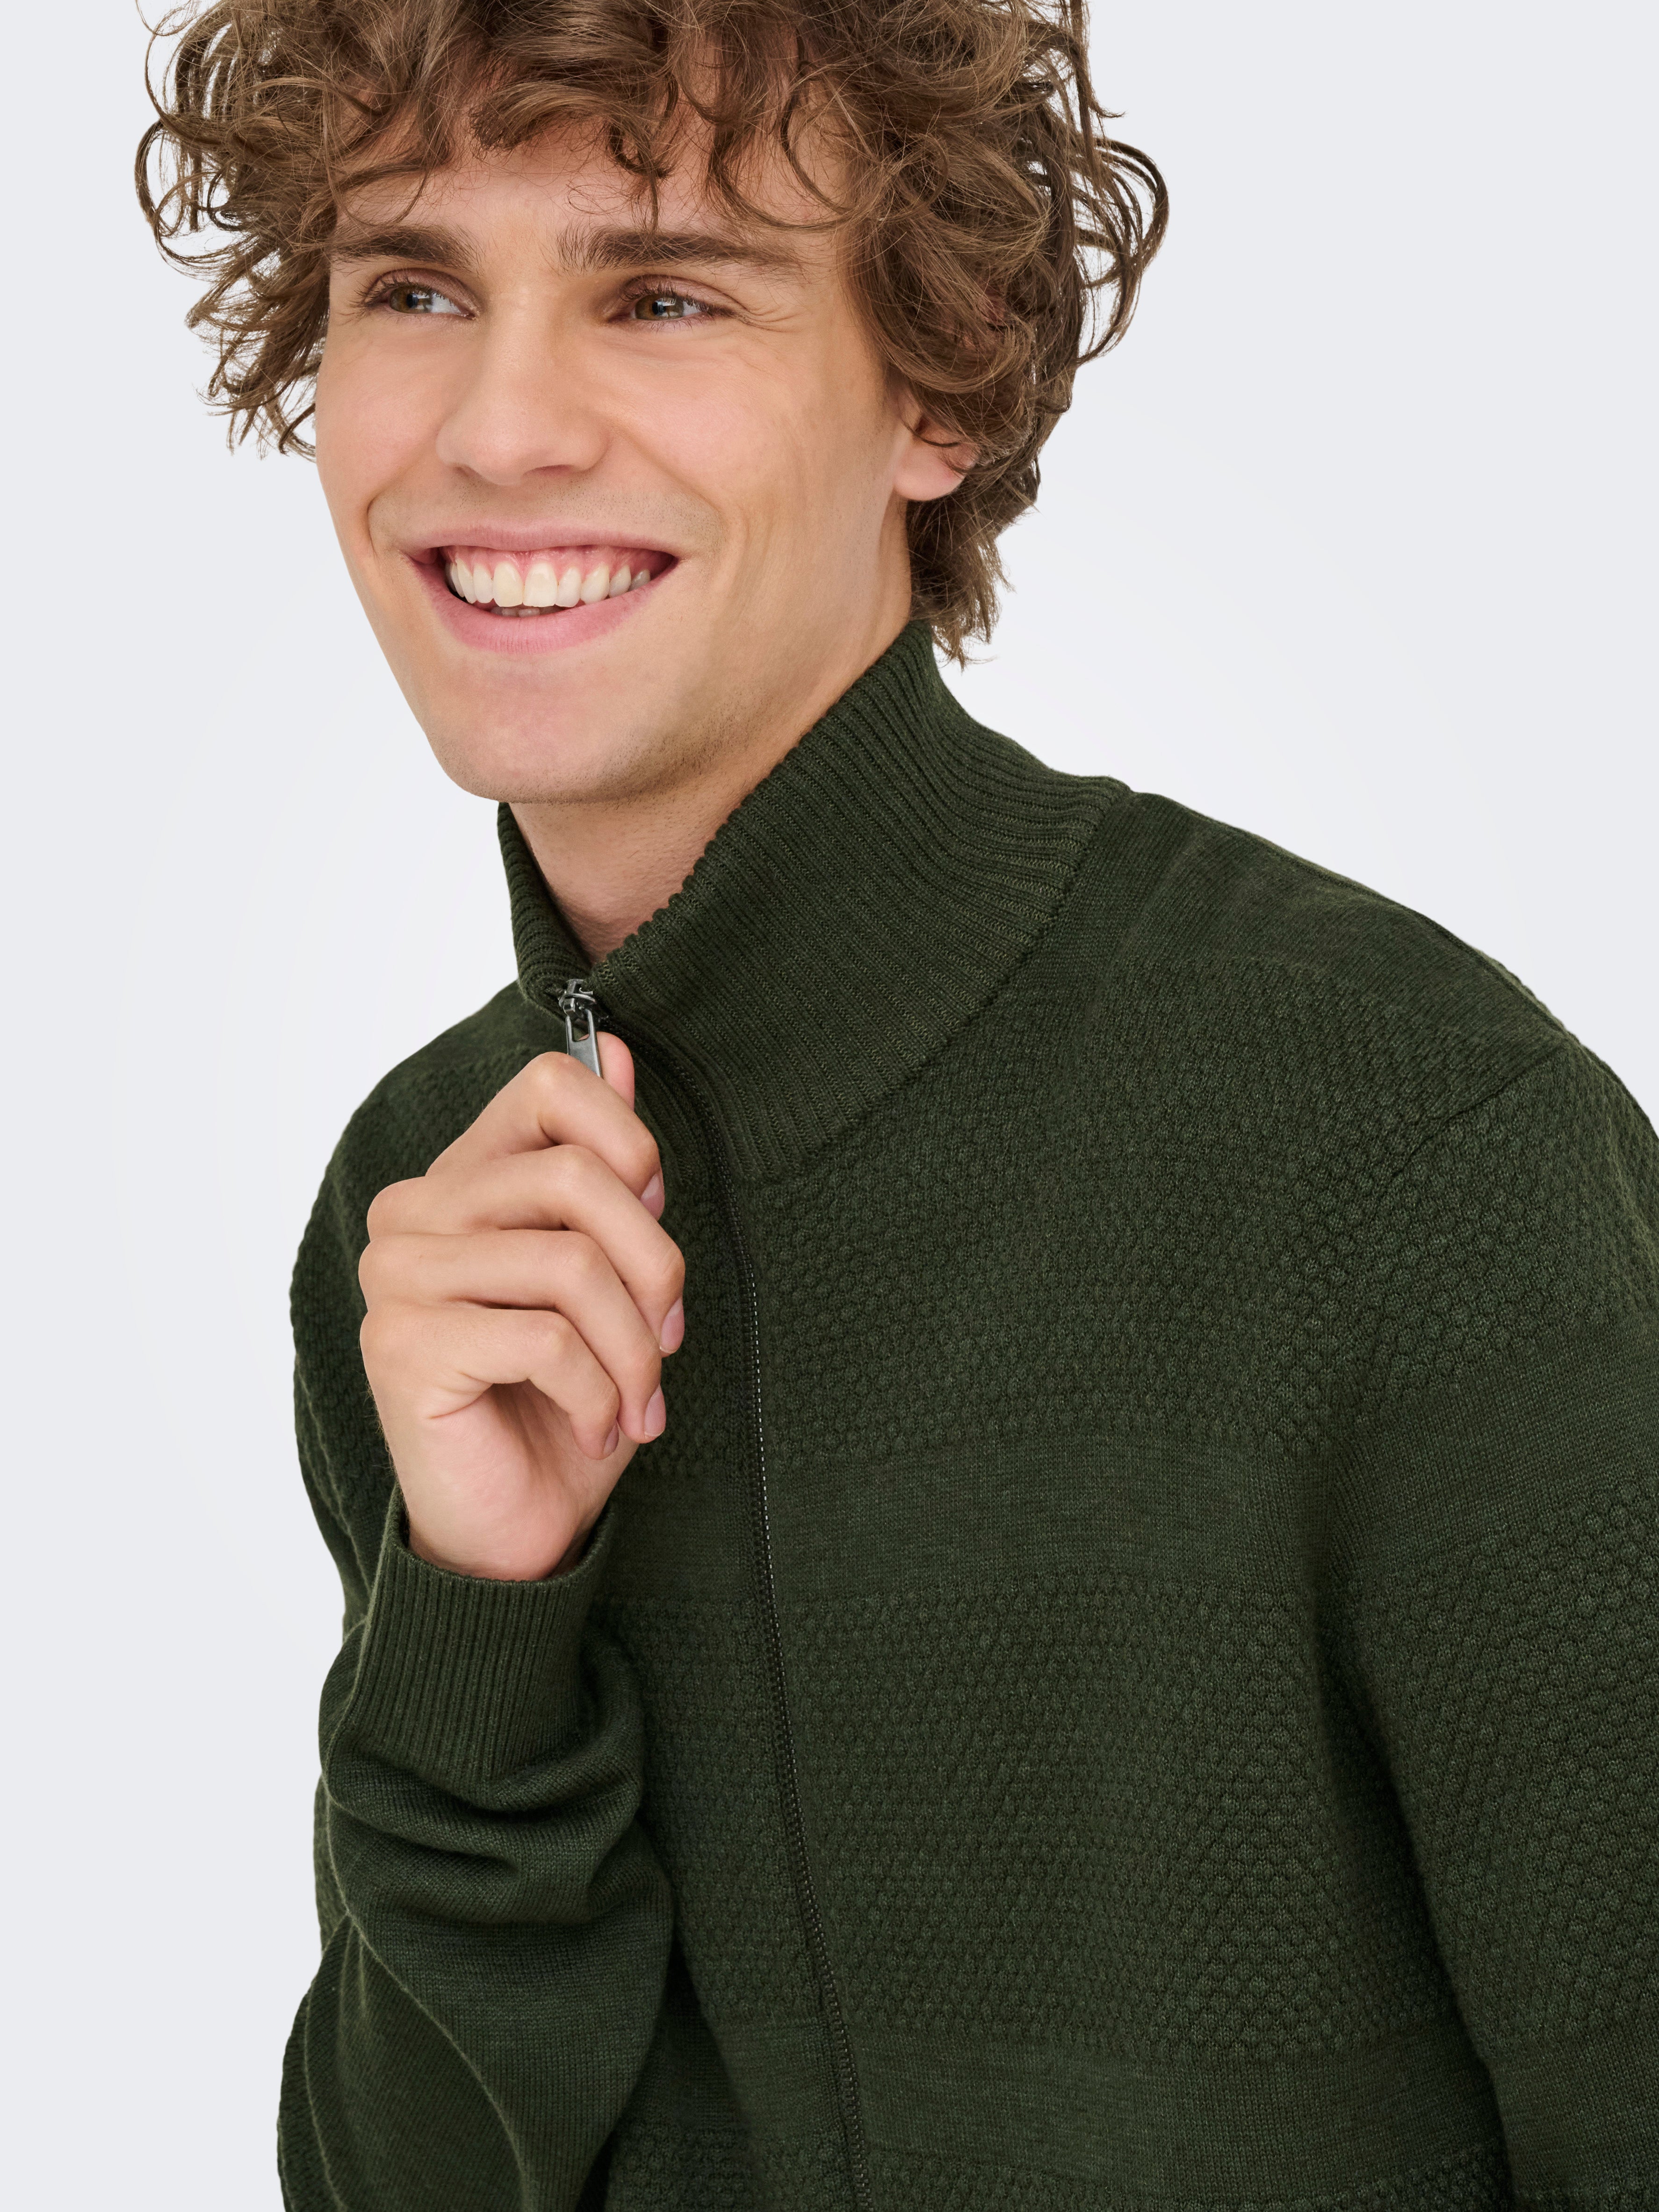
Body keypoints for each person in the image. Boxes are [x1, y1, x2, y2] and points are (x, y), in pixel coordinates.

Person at [139, 2, 1659, 2206]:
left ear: (933, 385)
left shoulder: (1407, 1143)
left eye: (661, 294)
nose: (497, 427)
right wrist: (476, 1610)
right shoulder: (423, 1208)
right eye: (412, 288)